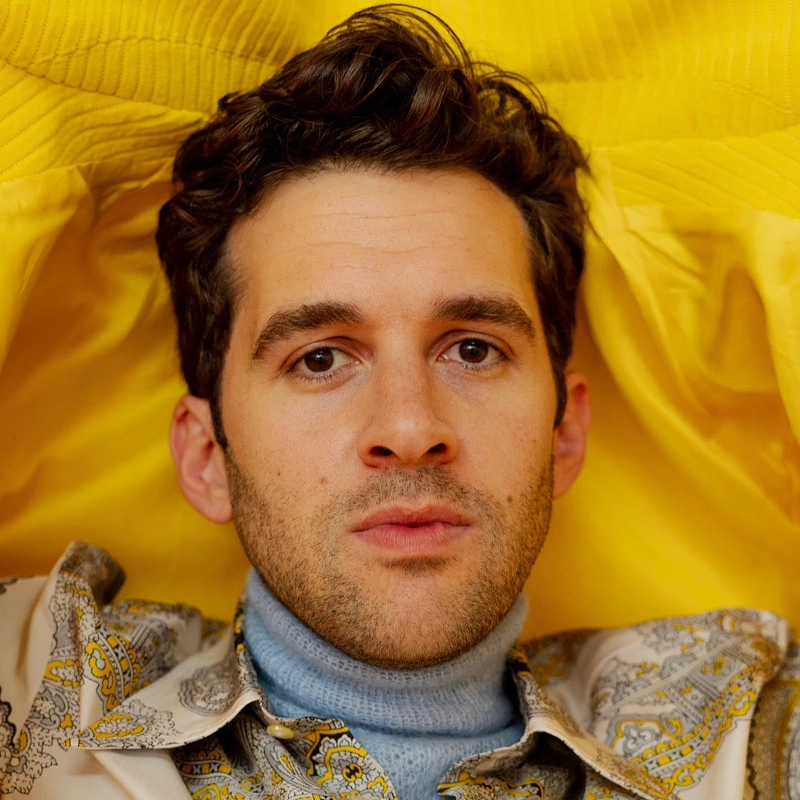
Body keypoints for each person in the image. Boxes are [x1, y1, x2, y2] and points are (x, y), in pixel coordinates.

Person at [0, 6, 796, 800]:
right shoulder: (36, 681)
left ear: (564, 433)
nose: (410, 430)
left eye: (473, 349)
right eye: (320, 358)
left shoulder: (748, 724)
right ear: (208, 456)